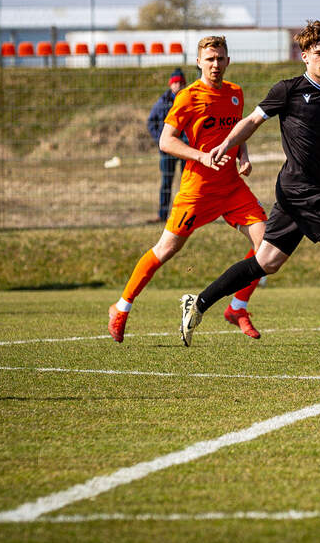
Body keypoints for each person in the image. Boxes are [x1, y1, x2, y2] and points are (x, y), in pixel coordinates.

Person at [179, 20, 320, 351]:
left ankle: (199, 302)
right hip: (298, 186)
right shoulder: (288, 89)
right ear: (305, 56)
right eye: (319, 53)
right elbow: (251, 121)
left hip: (303, 188)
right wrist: (226, 145)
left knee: (266, 262)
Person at [108, 37, 267, 343]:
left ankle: (237, 307)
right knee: (166, 249)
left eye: (220, 58)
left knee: (268, 244)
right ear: (199, 62)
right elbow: (165, 141)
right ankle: (121, 307)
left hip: (232, 188)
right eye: (209, 59)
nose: (215, 64)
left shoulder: (235, 93)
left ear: (228, 61)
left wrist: (243, 157)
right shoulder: (188, 97)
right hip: (198, 190)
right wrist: (201, 156)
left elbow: (238, 132)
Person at [148, 68, 187, 222]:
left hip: (186, 149)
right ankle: (162, 214)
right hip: (168, 151)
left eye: (181, 83)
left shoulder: (188, 99)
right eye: (175, 82)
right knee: (166, 182)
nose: (178, 85)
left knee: (187, 183)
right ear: (170, 84)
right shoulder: (162, 102)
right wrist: (161, 140)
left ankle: (186, 214)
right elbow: (151, 122)